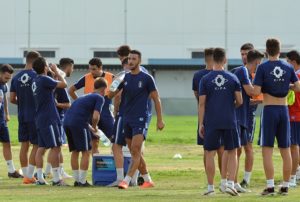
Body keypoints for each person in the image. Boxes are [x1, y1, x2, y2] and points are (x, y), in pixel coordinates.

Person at [109, 50, 165, 189]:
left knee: (135, 149)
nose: (131, 61)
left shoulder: (147, 78)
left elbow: (156, 99)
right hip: (126, 118)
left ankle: (126, 181)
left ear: (139, 61)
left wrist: (160, 119)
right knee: (135, 152)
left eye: (134, 59)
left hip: (140, 118)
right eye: (129, 59)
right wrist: (114, 83)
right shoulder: (125, 78)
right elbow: (111, 94)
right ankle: (148, 179)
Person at [253, 38, 300, 195]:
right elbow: (298, 87)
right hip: (284, 109)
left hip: (269, 109)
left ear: (266, 51)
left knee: (267, 149)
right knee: (285, 149)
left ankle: (270, 186)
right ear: (280, 51)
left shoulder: (262, 67)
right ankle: (285, 185)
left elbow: (256, 91)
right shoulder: (287, 66)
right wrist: (287, 85)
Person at [199, 48, 242, 196]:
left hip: (211, 121)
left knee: (209, 153)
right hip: (229, 119)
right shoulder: (233, 78)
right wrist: (229, 106)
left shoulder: (204, 79)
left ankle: (210, 188)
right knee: (232, 151)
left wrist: (201, 124)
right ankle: (230, 184)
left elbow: (202, 104)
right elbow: (240, 101)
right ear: (225, 60)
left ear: (212, 60)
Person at [64, 78, 107, 187]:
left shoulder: (84, 97)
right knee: (86, 151)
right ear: (104, 89)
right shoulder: (99, 97)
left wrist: (91, 128)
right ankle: (82, 181)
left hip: (67, 122)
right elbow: (96, 116)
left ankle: (77, 180)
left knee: (75, 151)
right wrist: (95, 127)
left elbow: (77, 113)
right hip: (78, 123)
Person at [32, 57, 68, 186]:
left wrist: (52, 74)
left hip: (40, 117)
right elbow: (64, 85)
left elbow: (50, 90)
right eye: (47, 65)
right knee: (55, 147)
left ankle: (40, 178)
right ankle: (57, 178)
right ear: (44, 67)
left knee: (41, 148)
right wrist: (57, 72)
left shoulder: (36, 80)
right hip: (49, 117)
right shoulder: (44, 79)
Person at [232, 49, 264, 193]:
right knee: (234, 150)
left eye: (245, 54)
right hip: (238, 116)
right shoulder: (242, 71)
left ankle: (238, 181)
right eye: (242, 54)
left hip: (245, 116)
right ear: (257, 62)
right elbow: (252, 92)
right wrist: (277, 89)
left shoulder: (244, 71)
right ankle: (229, 182)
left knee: (241, 149)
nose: (243, 56)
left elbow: (251, 96)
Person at [68, 58, 114, 154]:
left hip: (106, 113)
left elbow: (121, 91)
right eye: (90, 69)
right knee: (94, 143)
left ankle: (115, 164)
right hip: (91, 113)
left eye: (94, 69)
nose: (91, 71)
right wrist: (79, 102)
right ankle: (97, 167)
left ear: (100, 67)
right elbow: (71, 90)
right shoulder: (86, 78)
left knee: (113, 140)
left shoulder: (111, 77)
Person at [192, 48, 224, 175]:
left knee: (207, 150)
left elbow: (197, 95)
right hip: (221, 115)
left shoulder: (198, 76)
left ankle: (209, 181)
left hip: (204, 115)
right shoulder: (222, 74)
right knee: (222, 149)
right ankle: (224, 179)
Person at [10, 51, 40, 183]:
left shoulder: (16, 77)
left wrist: (22, 102)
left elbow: (12, 99)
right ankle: (30, 175)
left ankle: (26, 174)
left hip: (22, 114)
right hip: (35, 115)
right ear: (36, 61)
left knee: (24, 144)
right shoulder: (37, 76)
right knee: (36, 144)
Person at [44, 58, 74, 179]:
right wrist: (57, 105)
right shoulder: (59, 85)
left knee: (53, 146)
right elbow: (68, 104)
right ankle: (49, 172)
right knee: (56, 146)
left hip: (49, 118)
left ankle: (50, 171)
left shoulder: (53, 85)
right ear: (69, 67)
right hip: (56, 119)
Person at [0, 64, 22, 179]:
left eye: (9, 78)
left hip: (1, 120)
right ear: (0, 73)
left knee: (7, 143)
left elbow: (5, 100)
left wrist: (6, 113)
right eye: (6, 78)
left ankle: (11, 170)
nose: (7, 80)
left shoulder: (4, 86)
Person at [286, 50, 300, 186]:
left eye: (288, 62)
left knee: (294, 146)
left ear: (293, 62)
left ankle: (292, 178)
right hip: (296, 114)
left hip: (295, 114)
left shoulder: (296, 77)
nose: (287, 65)